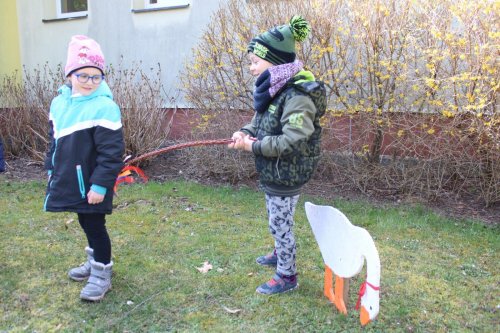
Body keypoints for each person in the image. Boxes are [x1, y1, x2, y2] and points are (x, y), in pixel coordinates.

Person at [228, 16, 327, 295]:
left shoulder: (297, 96)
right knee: (276, 217)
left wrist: (253, 147)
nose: (251, 68)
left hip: (288, 170)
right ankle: (278, 252)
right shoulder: (276, 88)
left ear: (274, 62)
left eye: (254, 62)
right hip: (275, 169)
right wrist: (243, 132)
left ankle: (287, 275)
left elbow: (292, 140)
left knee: (280, 222)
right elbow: (259, 121)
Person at [44, 35, 124, 301]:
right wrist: (50, 169)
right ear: (69, 74)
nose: (90, 82)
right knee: (85, 222)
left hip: (92, 184)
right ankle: (94, 261)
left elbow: (112, 153)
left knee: (94, 224)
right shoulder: (59, 104)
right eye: (83, 76)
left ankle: (102, 273)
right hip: (70, 180)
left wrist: (100, 184)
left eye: (96, 77)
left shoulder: (104, 107)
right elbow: (53, 142)